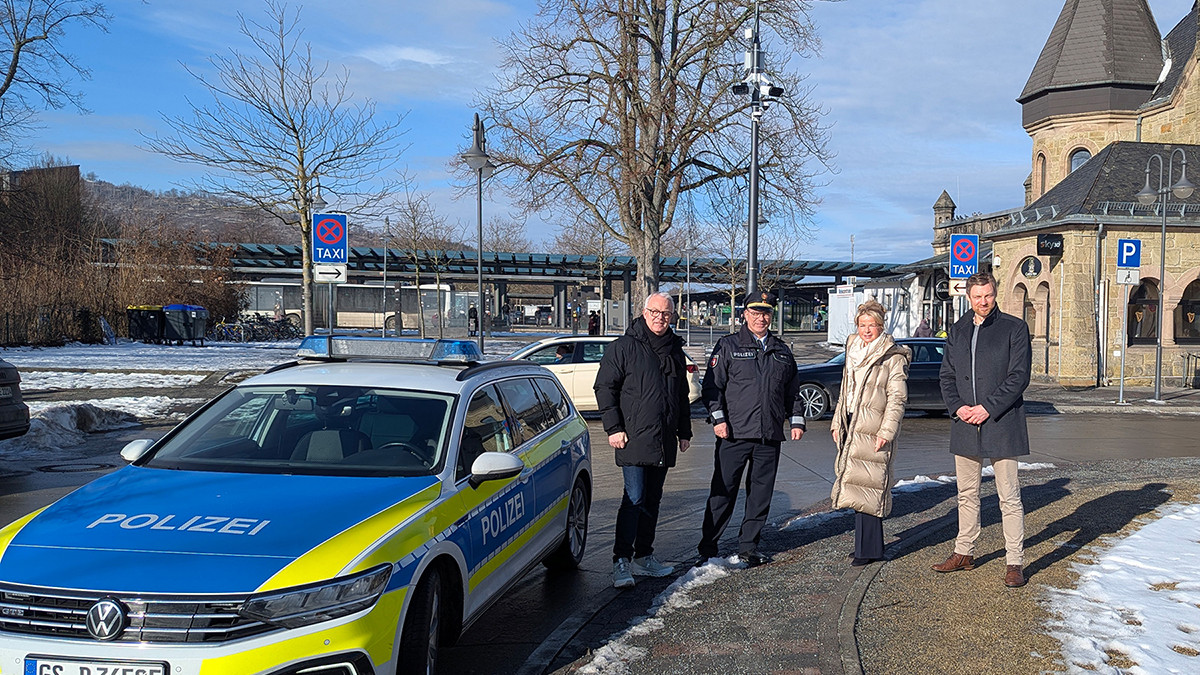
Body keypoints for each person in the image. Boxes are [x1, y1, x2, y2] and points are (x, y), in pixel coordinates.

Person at [932, 272, 1032, 588]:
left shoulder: (1014, 328)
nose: (983, 301)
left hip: (1001, 422)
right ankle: (964, 552)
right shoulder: (958, 330)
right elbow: (946, 376)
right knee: (967, 494)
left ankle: (1014, 561)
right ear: (969, 297)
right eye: (977, 296)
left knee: (1009, 497)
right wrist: (959, 407)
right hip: (965, 424)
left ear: (994, 293)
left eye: (988, 295)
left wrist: (987, 407)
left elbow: (1018, 376)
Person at [697, 290, 805, 566]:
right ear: (744, 315)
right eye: (755, 313)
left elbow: (792, 390)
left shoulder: (781, 351)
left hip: (769, 435)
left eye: (766, 313)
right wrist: (718, 420)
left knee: (760, 494)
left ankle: (749, 546)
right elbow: (712, 386)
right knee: (723, 492)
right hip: (733, 433)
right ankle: (708, 546)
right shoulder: (729, 346)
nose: (761, 318)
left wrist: (796, 420)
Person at [594, 292, 693, 588]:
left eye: (666, 314)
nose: (660, 318)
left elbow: (681, 396)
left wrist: (684, 431)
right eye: (655, 312)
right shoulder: (624, 347)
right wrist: (613, 428)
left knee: (652, 499)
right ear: (643, 311)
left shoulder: (675, 349)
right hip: (633, 438)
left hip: (663, 438)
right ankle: (621, 560)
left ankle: (644, 556)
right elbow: (604, 388)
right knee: (634, 498)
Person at [830, 299, 911, 566]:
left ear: (881, 326)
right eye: (863, 325)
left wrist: (887, 431)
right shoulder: (853, 350)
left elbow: (897, 398)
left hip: (874, 427)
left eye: (872, 325)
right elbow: (846, 390)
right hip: (852, 423)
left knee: (870, 488)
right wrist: (836, 421)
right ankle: (869, 548)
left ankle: (869, 551)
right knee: (857, 486)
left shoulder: (892, 356)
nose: (867, 330)